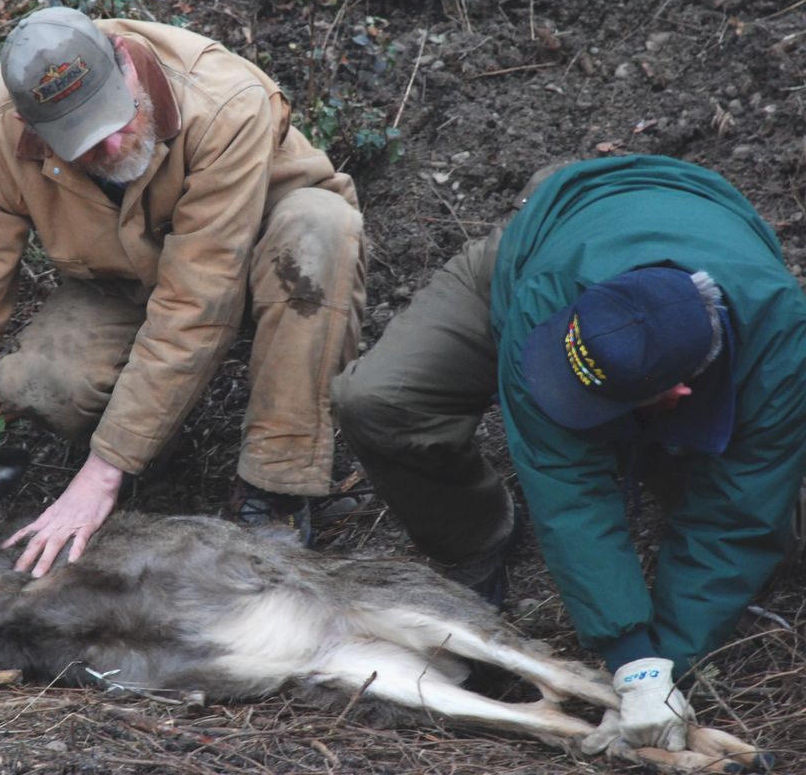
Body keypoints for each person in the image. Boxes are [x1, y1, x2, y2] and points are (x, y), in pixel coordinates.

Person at [0, 8, 365, 592]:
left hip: (263, 248)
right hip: (126, 276)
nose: (110, 143)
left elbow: (198, 305)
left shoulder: (225, 102)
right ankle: (157, 457)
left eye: (114, 114)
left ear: (126, 63)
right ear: (31, 129)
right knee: (37, 382)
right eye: (80, 137)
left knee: (320, 229)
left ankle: (273, 490)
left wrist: (99, 478)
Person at [330, 155, 806, 753]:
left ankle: (664, 456)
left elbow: (734, 516)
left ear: (677, 395)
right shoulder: (553, 298)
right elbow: (566, 483)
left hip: (715, 303)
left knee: (774, 522)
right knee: (377, 399)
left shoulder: (780, 344)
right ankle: (480, 536)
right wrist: (630, 658)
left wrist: (666, 664)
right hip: (549, 246)